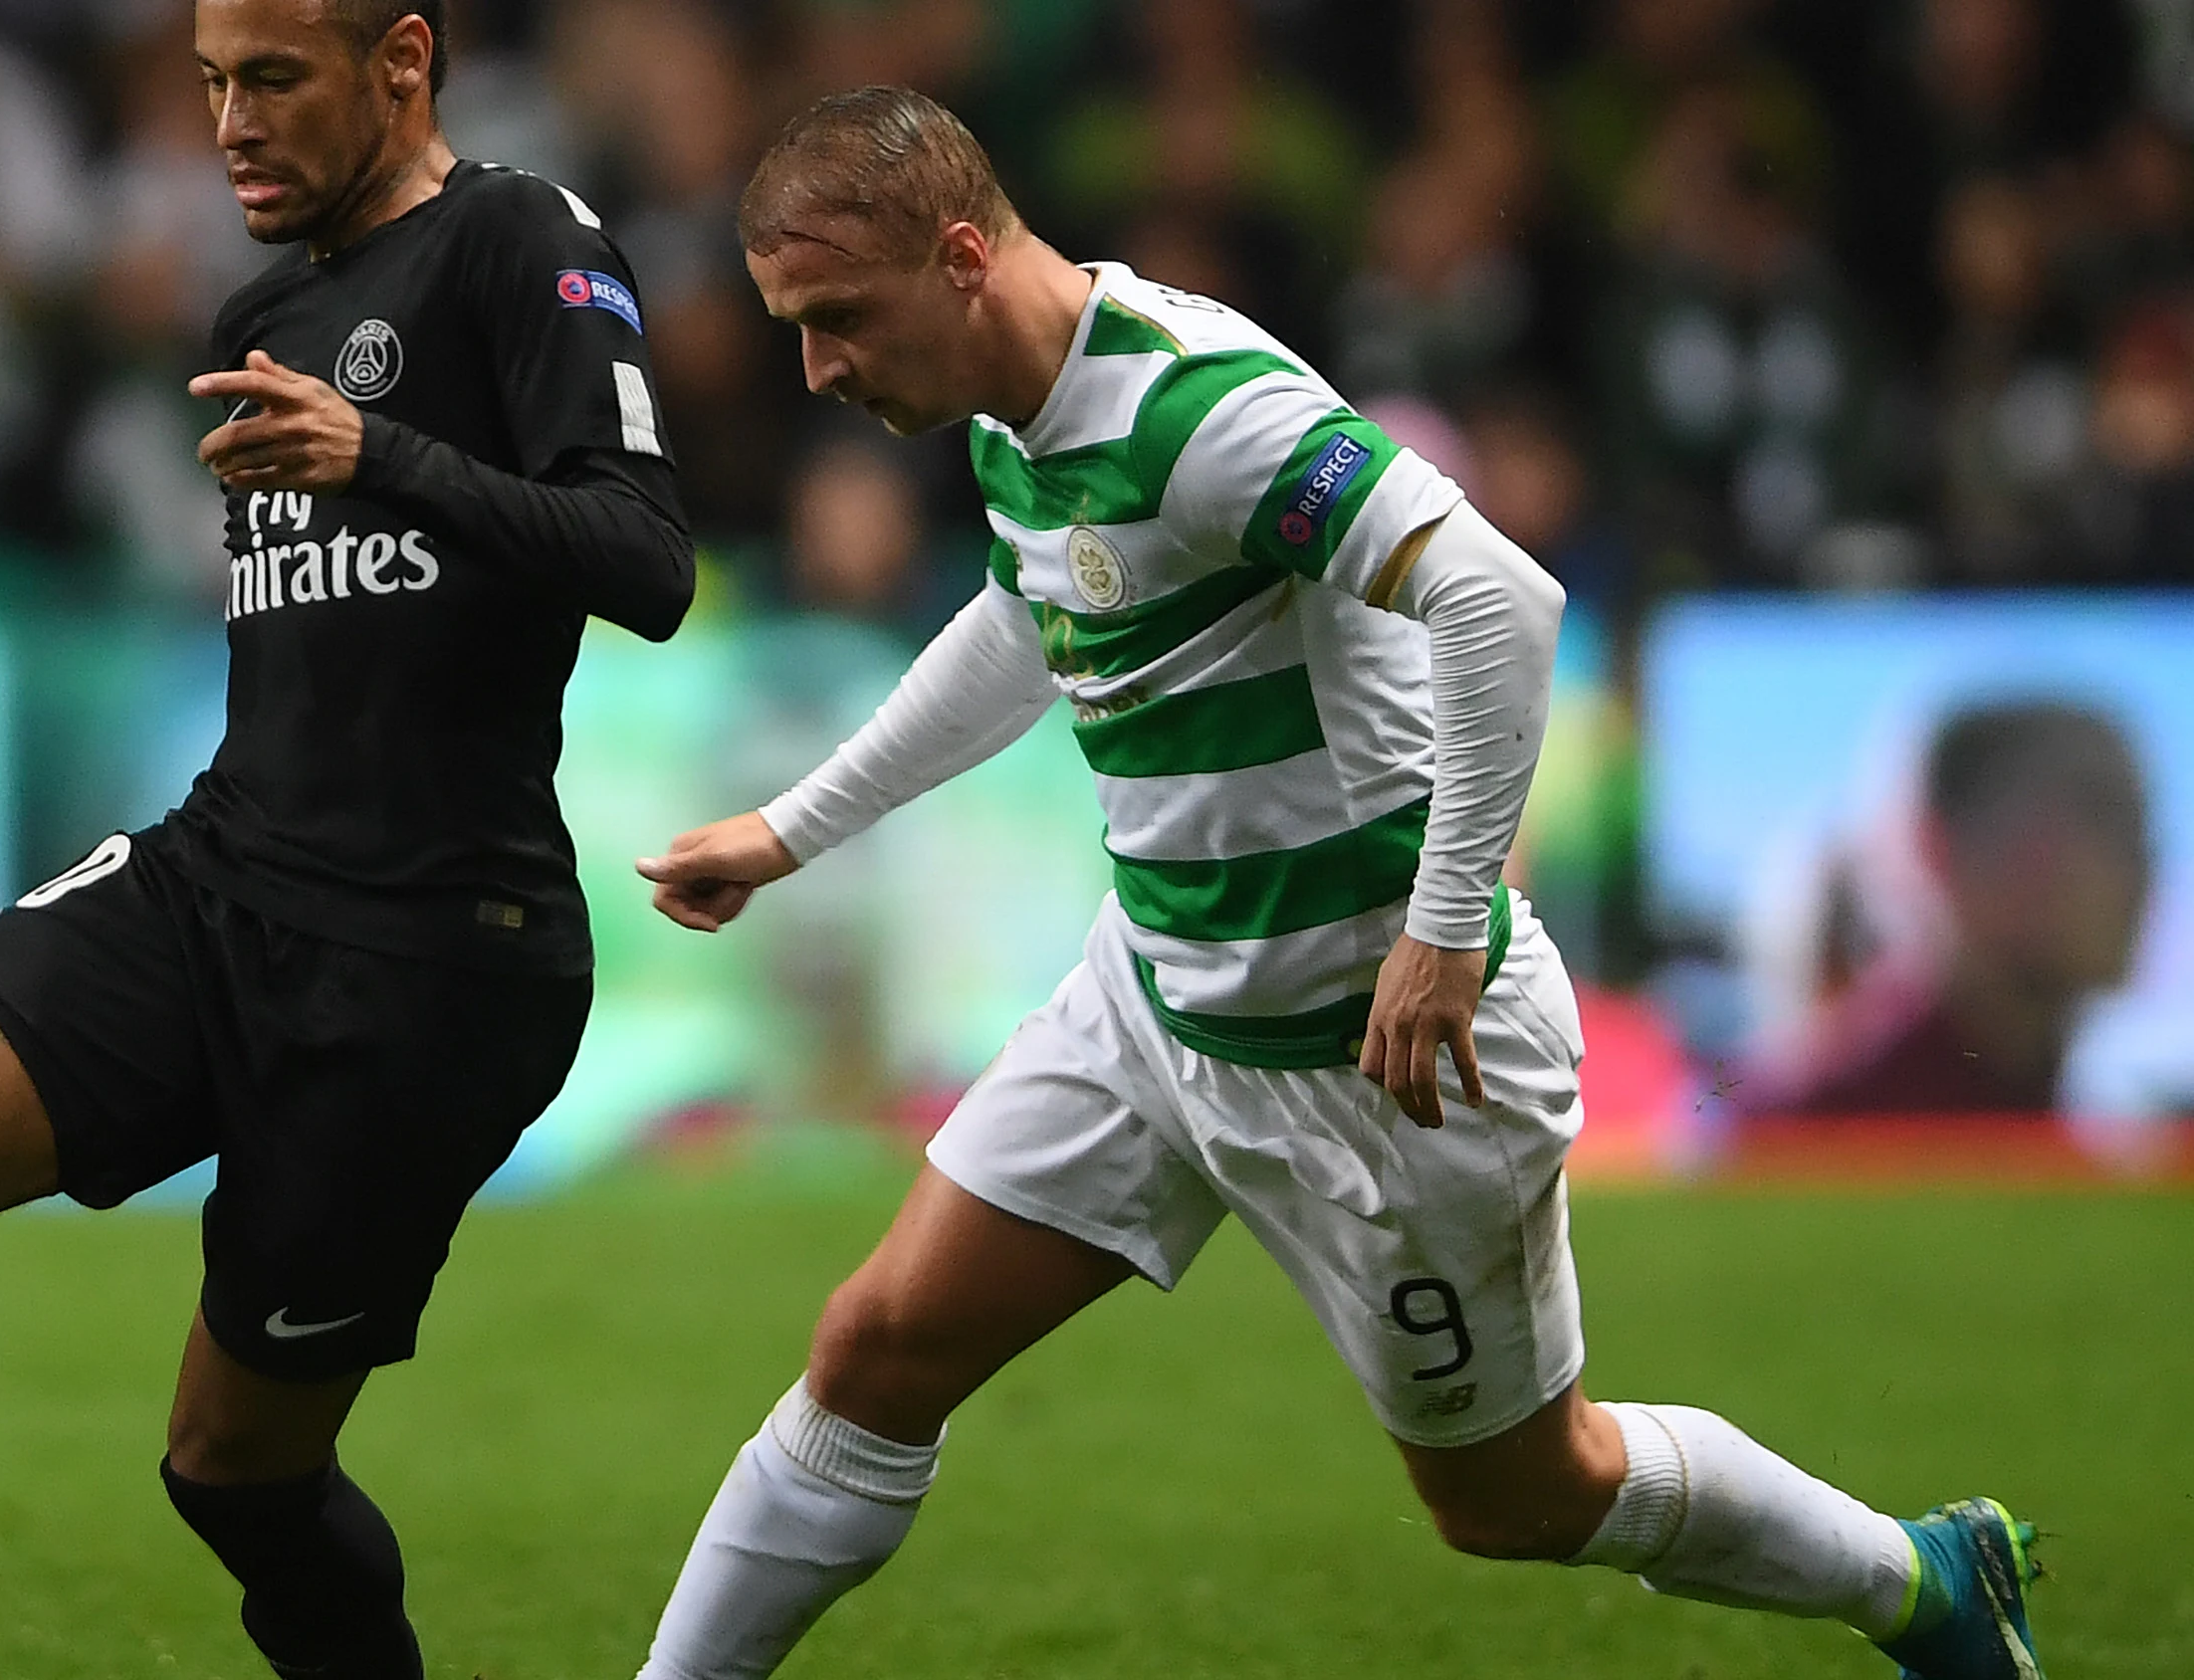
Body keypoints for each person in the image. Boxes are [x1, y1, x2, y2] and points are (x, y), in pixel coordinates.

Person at [627, 89, 2042, 1680]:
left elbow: (1502, 600)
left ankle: (1919, 1584)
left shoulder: (1200, 412)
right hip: (1157, 1004)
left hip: (1383, 1059)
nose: (819, 370)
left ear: (959, 258)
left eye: (837, 323)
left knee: (1519, 1495)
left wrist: (1445, 931)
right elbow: (1032, 613)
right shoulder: (1016, 410)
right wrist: (792, 829)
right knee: (873, 1351)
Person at [0, 4, 691, 1676]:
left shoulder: (518, 241)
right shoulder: (269, 310)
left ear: (402, 60)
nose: (227, 124)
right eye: (209, 84)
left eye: (271, 81)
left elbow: (646, 558)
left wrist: (378, 451)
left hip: (430, 960)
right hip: (219, 875)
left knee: (234, 1469)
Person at [1750, 700, 2151, 1117]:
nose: (2143, 864)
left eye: (2145, 827)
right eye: (2101, 813)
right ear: (1937, 848)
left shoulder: (2086, 1125)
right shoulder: (1796, 1133)